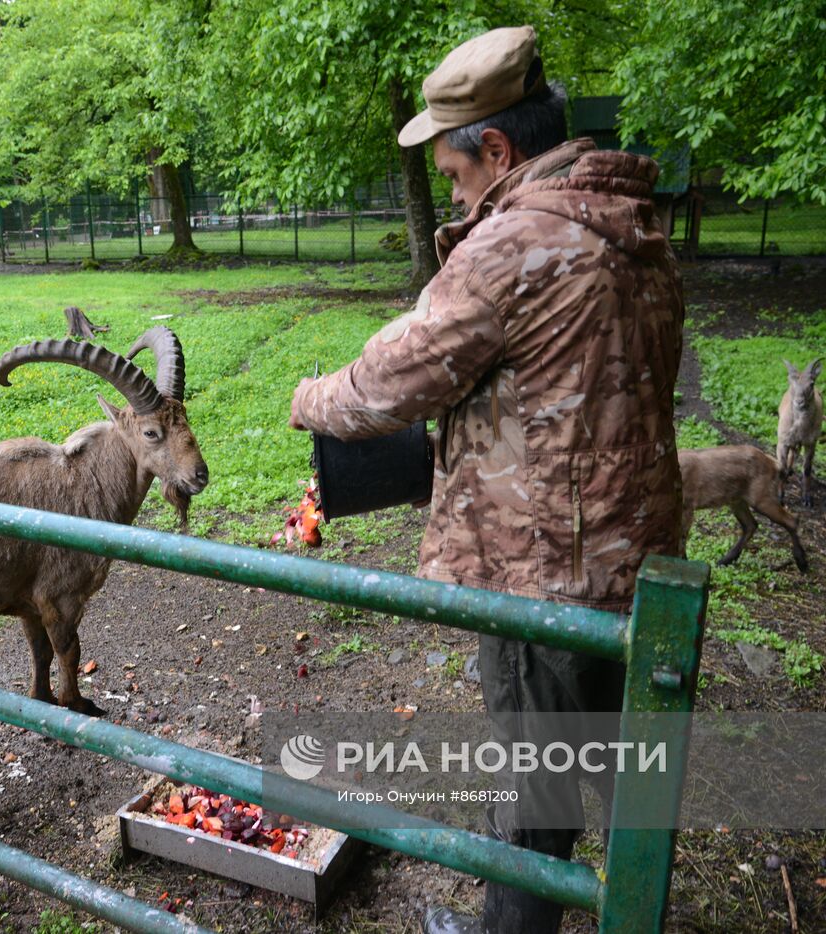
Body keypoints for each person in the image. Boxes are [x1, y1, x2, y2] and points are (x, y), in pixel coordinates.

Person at [288, 25, 685, 934]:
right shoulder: (634, 227)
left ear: (498, 148)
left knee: (530, 788)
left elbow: (385, 386)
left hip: (539, 568)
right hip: (639, 563)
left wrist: (309, 398)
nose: (455, 189)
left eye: (457, 172)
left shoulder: (516, 245)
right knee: (631, 775)